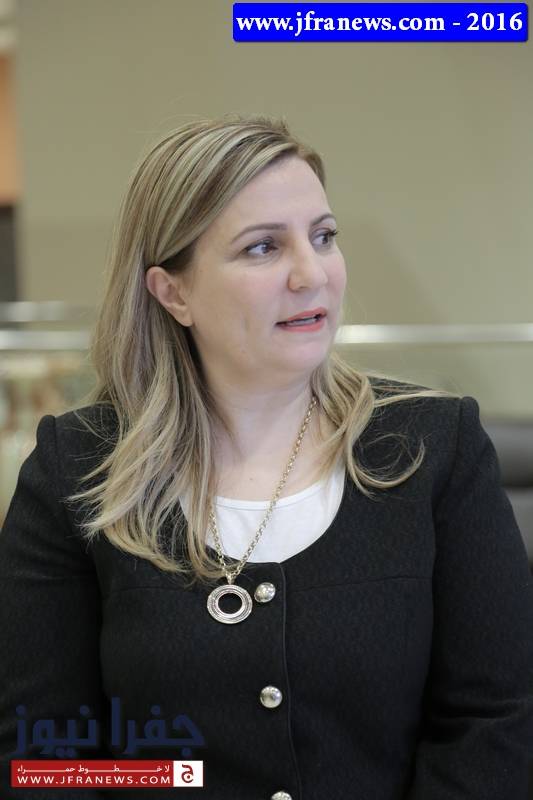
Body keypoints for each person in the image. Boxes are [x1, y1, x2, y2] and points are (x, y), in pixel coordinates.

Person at [0, 114, 532, 800]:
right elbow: (41, 755)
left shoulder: (434, 446)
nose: (312, 274)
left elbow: (498, 721)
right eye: (262, 248)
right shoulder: (75, 468)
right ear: (173, 292)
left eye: (324, 237)